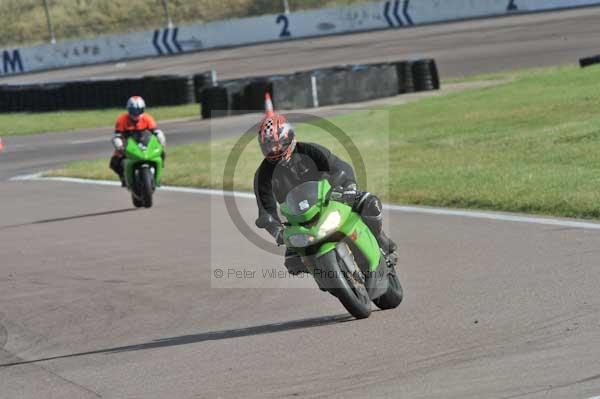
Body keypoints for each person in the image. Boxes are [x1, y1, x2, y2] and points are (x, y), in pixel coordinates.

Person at [253, 95, 396, 275]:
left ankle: (381, 242)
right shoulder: (263, 175)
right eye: (268, 146)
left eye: (276, 144)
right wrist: (276, 230)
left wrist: (348, 186)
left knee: (370, 203)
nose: (273, 150)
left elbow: (340, 167)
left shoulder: (309, 150)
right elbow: (265, 210)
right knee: (293, 264)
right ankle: (327, 277)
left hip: (332, 199)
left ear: (288, 137)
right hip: (298, 220)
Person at [109, 96, 166, 186]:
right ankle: (123, 177)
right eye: (133, 111)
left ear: (143, 109)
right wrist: (119, 145)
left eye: (139, 110)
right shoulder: (122, 119)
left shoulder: (147, 118)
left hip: (144, 142)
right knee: (114, 162)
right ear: (128, 110)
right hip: (127, 145)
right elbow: (117, 135)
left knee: (162, 153)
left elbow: (156, 131)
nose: (136, 114)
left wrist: (161, 140)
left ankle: (157, 175)